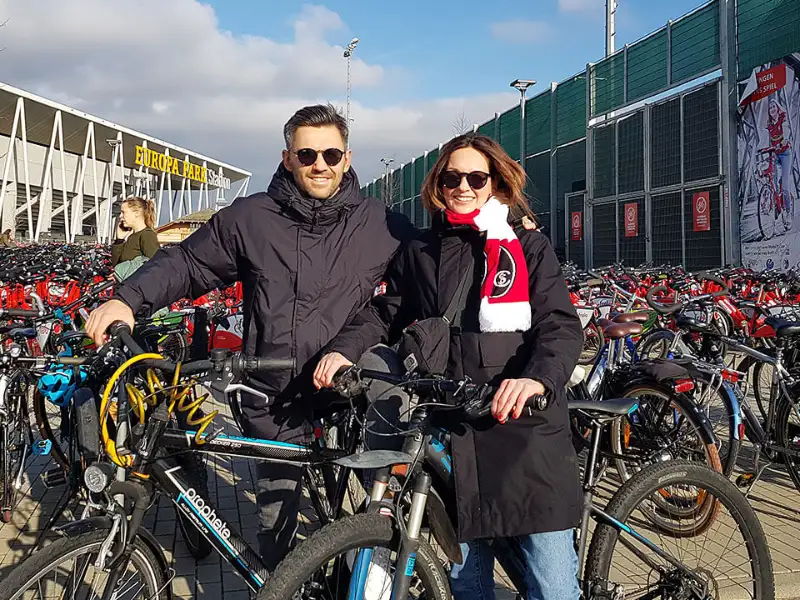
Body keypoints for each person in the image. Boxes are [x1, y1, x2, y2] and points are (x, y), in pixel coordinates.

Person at [85, 104, 416, 570]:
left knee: (357, 527)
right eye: (306, 154)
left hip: (344, 393)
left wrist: (352, 345)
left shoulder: (381, 224)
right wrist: (129, 298)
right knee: (277, 525)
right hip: (273, 393)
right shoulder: (251, 217)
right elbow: (189, 264)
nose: (319, 163)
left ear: (347, 157)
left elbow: (415, 289)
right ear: (287, 158)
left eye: (330, 153)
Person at [314, 133, 584, 600]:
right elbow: (385, 311)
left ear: (494, 182)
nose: (463, 185)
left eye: (476, 177)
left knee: (553, 585)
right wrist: (344, 349)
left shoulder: (527, 246)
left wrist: (535, 377)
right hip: (453, 429)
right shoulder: (422, 250)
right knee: (466, 580)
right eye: (452, 176)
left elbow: (560, 327)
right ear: (439, 183)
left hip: (524, 427)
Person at [111, 196, 160, 279]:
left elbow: (154, 266)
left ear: (136, 213)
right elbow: (116, 265)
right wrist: (119, 240)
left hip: (137, 289)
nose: (120, 216)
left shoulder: (147, 235)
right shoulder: (132, 237)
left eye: (123, 212)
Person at [766, 97, 796, 217]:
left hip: (785, 154)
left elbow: (787, 132)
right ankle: (777, 208)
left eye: (774, 107)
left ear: (778, 108)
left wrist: (784, 141)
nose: (772, 109)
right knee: (773, 181)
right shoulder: (769, 125)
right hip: (775, 154)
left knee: (784, 184)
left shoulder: (783, 119)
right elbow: (764, 138)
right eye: (770, 108)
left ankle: (788, 212)